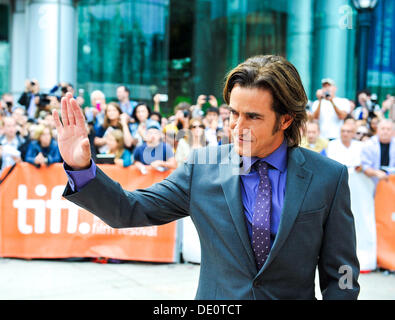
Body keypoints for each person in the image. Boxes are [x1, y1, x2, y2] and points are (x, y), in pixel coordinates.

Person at [54, 55, 359, 300]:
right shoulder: (202, 167)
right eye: (233, 114)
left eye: (253, 117)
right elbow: (128, 209)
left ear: (285, 119)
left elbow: (342, 273)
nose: (237, 127)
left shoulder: (328, 178)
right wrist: (80, 167)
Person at [360, 119, 395, 185]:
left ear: (393, 132)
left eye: (388, 129)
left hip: (392, 182)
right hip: (372, 181)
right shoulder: (368, 144)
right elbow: (365, 166)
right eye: (383, 129)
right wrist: (376, 173)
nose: (385, 132)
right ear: (377, 130)